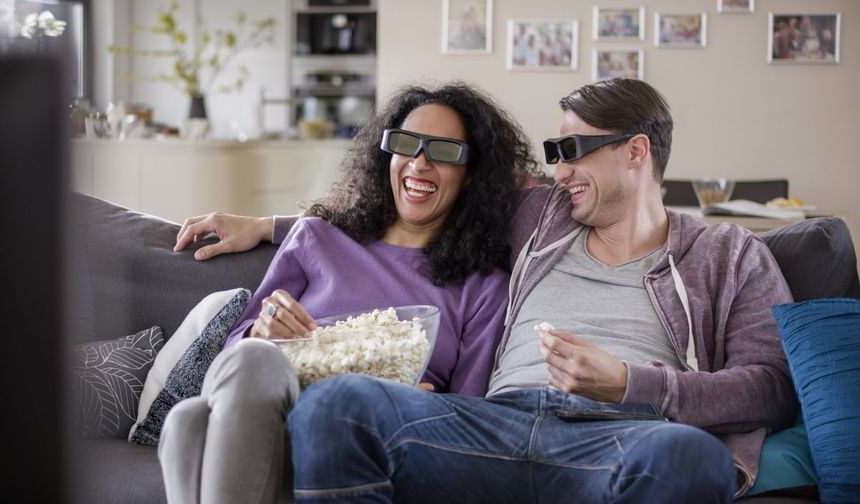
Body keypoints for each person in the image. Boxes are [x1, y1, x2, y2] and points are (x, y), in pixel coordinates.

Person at [203, 78, 797, 502]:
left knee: (692, 461)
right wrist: (271, 226)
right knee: (338, 405)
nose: (558, 171)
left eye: (573, 152)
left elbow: (772, 387)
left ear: (636, 152)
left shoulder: (730, 253)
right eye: (553, 154)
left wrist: (629, 383)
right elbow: (420, 188)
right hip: (487, 428)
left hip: (623, 436)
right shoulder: (543, 216)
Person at [157, 82, 537, 504]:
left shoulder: (482, 286)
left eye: (444, 151)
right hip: (268, 412)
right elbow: (230, 363)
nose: (419, 163)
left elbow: (467, 422)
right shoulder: (318, 236)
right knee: (213, 394)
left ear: (470, 177)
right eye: (406, 144)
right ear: (386, 154)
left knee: (188, 426)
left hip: (362, 445)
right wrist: (261, 333)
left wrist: (412, 405)